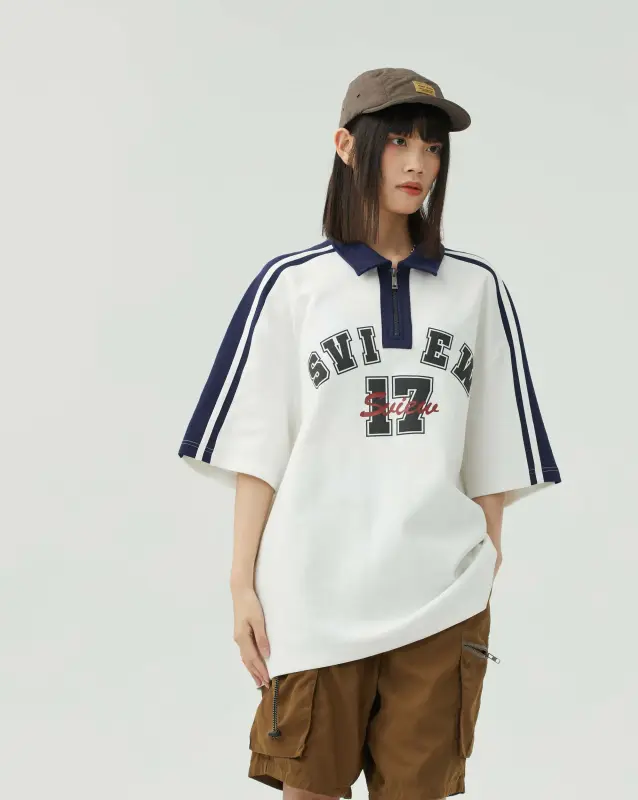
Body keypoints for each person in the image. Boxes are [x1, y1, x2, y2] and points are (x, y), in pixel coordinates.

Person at [177, 66, 562, 799]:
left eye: (433, 147)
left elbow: (494, 446)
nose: (419, 163)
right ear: (347, 147)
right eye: (399, 143)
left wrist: (484, 562)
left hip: (438, 600)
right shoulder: (292, 286)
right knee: (310, 790)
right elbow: (258, 449)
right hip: (313, 595)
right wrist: (241, 586)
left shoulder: (475, 288)